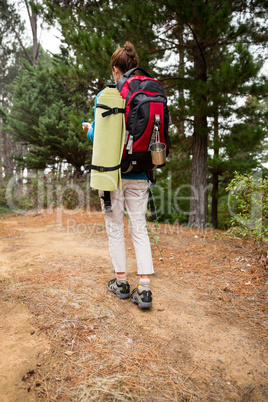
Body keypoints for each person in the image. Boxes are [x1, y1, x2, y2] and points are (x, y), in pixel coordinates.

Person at [82, 42, 154, 309]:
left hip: (112, 175)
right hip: (140, 173)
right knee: (139, 227)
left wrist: (90, 128)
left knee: (115, 228)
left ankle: (121, 282)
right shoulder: (148, 92)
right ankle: (144, 288)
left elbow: (99, 136)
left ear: (115, 68)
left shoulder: (105, 95)